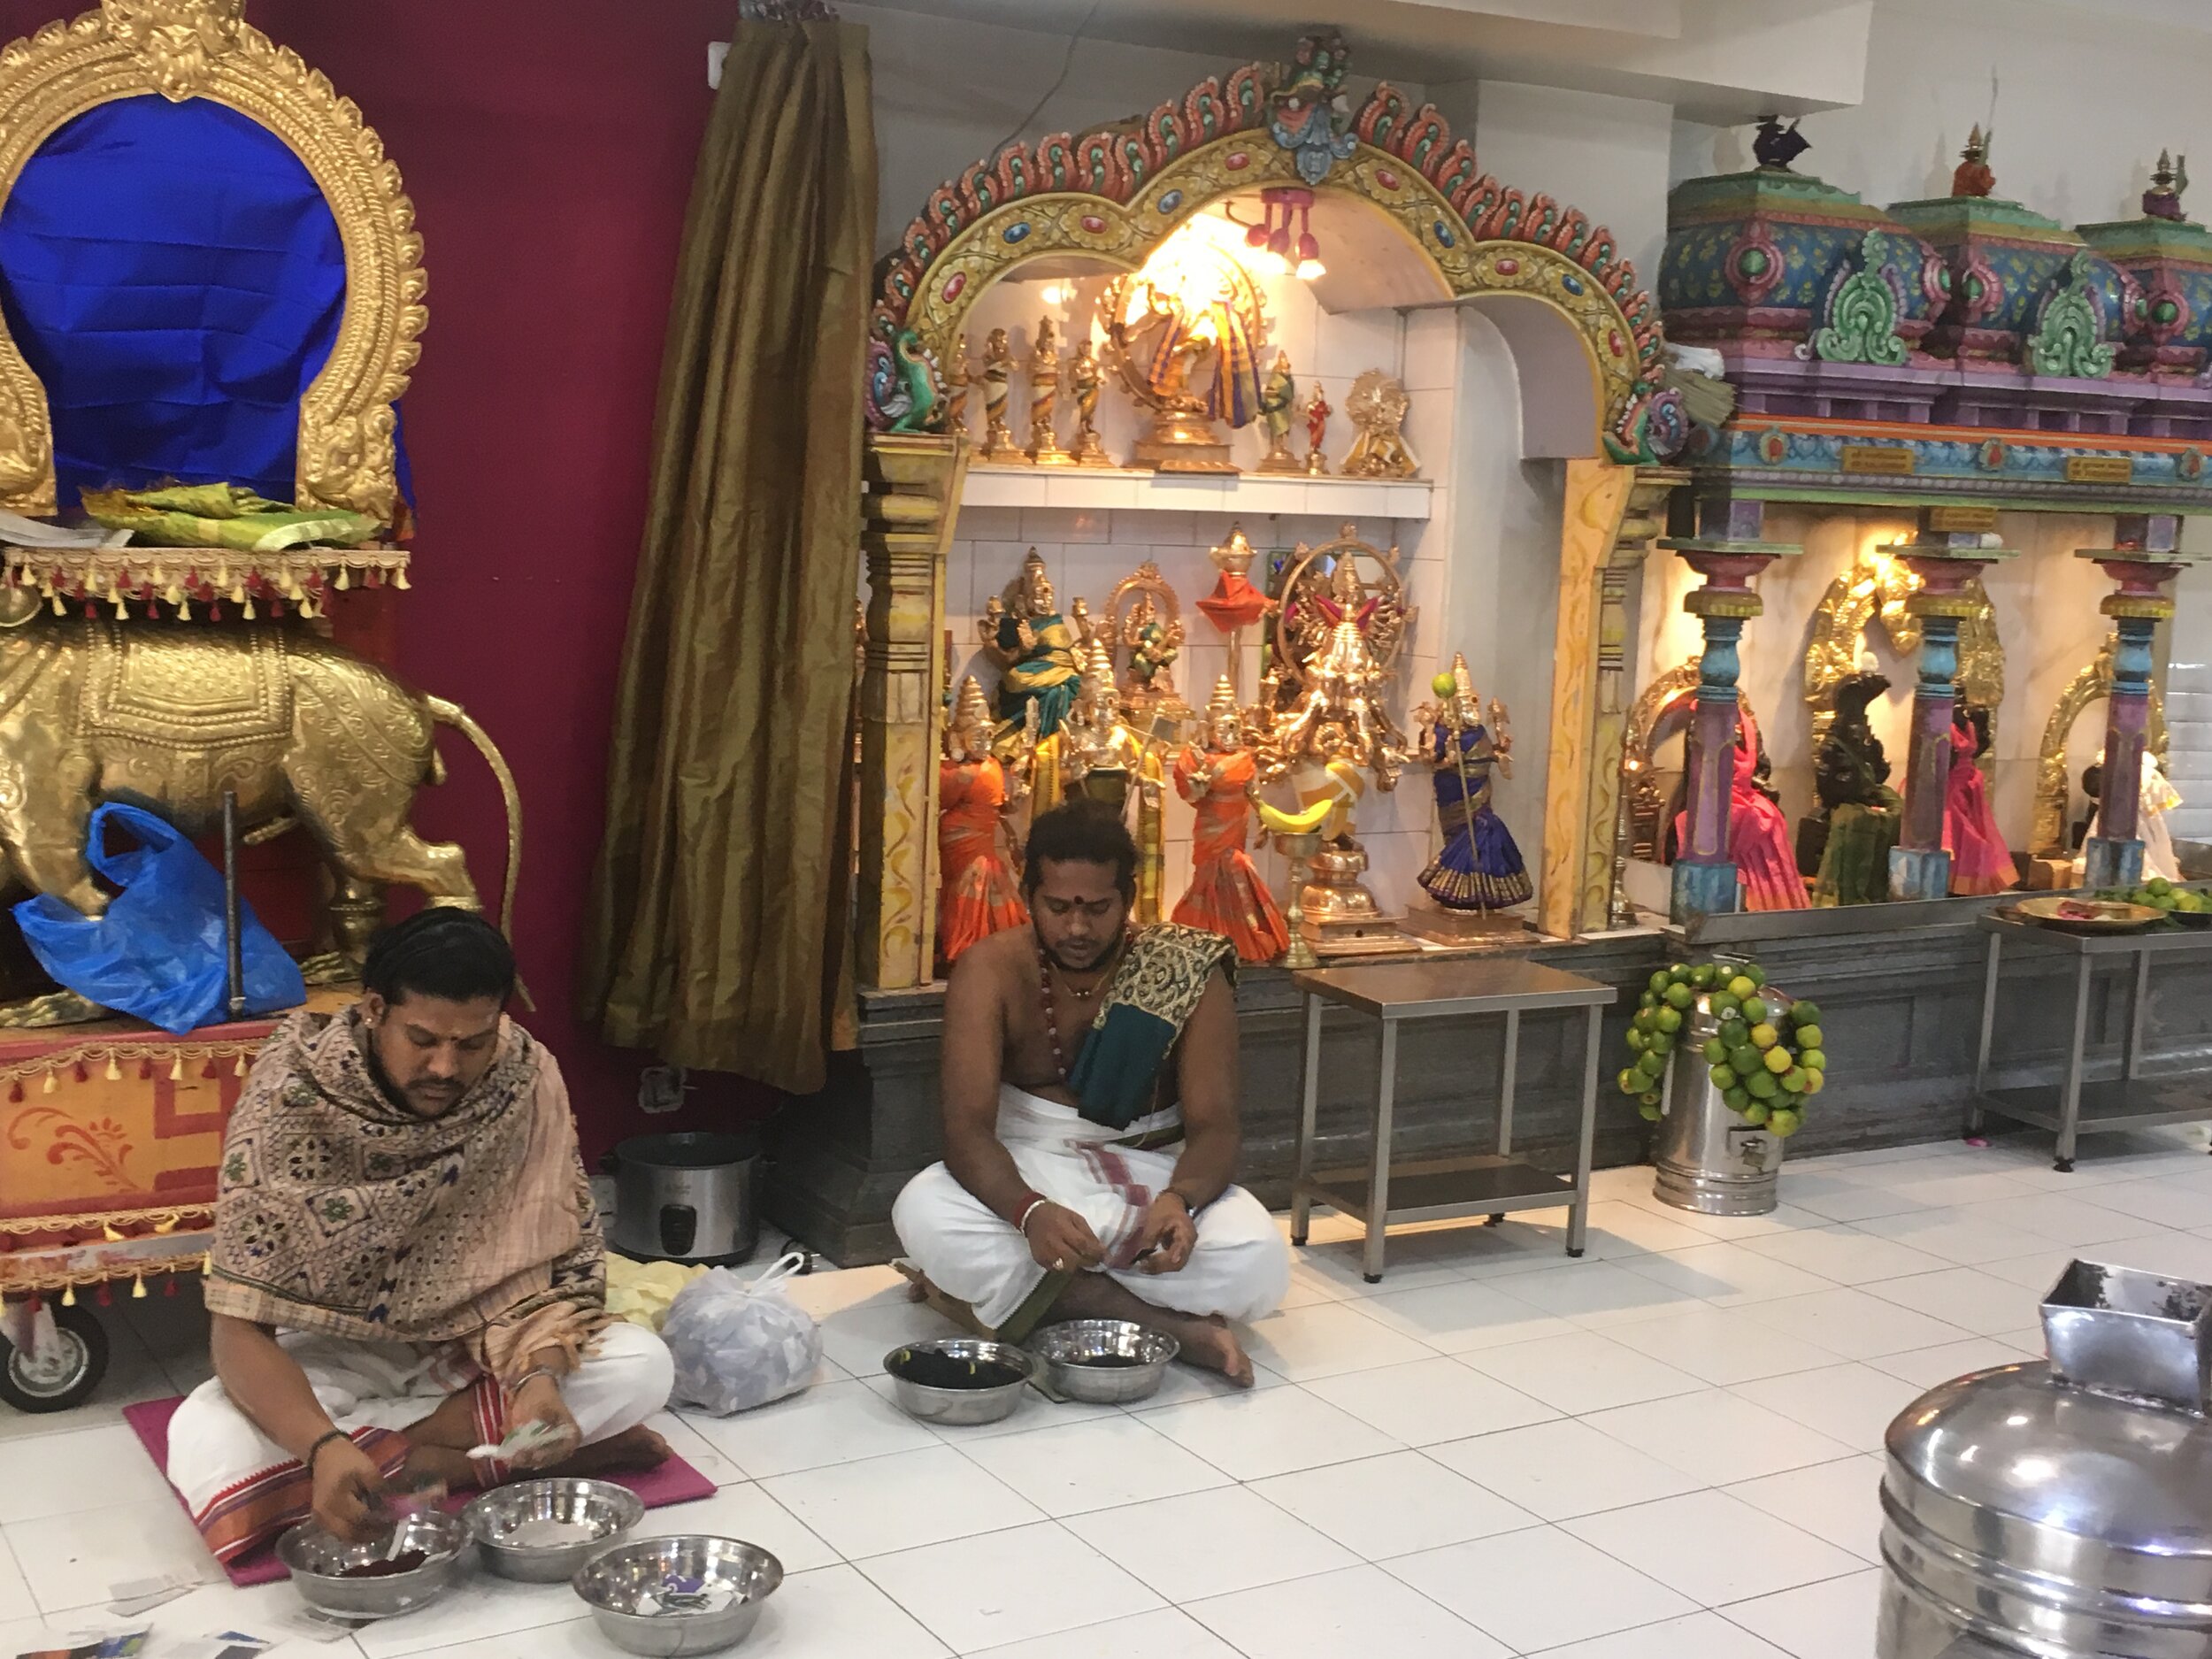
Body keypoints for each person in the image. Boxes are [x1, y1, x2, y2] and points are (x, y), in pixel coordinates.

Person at [167, 909, 673, 1564]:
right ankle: (470, 1457)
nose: (445, 1065)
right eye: (424, 1038)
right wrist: (322, 1445)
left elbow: (550, 1265)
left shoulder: (522, 1077)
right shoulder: (294, 1091)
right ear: (375, 1009)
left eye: (472, 1043)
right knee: (206, 1440)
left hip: (475, 1340)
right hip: (332, 1350)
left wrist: (538, 1381)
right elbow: (236, 1330)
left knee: (643, 1365)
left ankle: (421, 1461)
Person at [893, 799, 1288, 1386]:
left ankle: (991, 1300)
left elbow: (1216, 1126)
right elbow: (967, 1130)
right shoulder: (991, 970)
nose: (1077, 928)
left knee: (1257, 1257)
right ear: (1029, 897)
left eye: (1098, 908)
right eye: (1057, 907)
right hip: (1031, 1164)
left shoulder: (1185, 968)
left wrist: (1181, 1199)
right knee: (923, 1209)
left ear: (1128, 897)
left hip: (1152, 1170)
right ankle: (1177, 1330)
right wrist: (1028, 1213)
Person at [1944, 703, 2014, 895]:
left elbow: (1977, 748)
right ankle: (1954, 883)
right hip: (1951, 789)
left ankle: (1968, 884)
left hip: (1969, 785)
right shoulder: (1944, 727)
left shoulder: (1968, 725)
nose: (1960, 702)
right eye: (1956, 696)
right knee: (1966, 837)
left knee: (1982, 833)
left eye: (1962, 696)